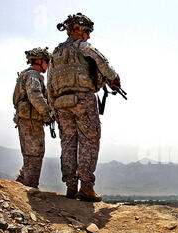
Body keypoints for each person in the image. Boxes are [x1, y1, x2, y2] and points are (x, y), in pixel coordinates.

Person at [47, 13, 121, 202]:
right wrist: (114, 79)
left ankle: (71, 187)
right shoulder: (83, 46)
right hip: (82, 100)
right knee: (89, 140)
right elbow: (102, 63)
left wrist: (54, 110)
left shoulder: (56, 53)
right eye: (87, 31)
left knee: (68, 144)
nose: (88, 36)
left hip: (61, 103)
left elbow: (49, 84)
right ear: (80, 30)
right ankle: (86, 187)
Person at [13, 47, 52, 189]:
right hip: (31, 121)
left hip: (26, 120)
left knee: (30, 155)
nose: (48, 65)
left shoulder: (28, 75)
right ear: (40, 61)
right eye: (47, 62)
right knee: (34, 154)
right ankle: (30, 188)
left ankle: (21, 184)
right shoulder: (33, 75)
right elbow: (35, 96)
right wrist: (47, 114)